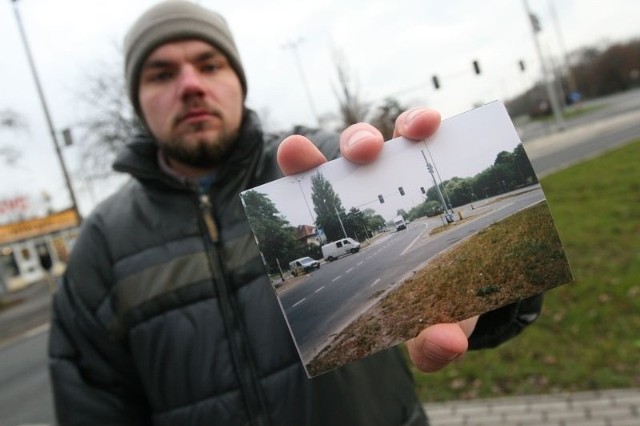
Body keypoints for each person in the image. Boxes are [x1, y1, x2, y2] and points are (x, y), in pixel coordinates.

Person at [48, 1, 543, 425]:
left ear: (238, 81)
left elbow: (502, 299)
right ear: (137, 100)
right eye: (161, 73)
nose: (191, 84)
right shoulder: (102, 248)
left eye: (210, 64)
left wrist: (488, 301)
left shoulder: (321, 163)